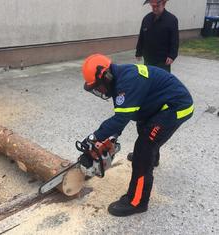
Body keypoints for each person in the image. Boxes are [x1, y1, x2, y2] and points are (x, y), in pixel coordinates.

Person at [81, 54, 194, 217]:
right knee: (144, 128)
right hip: (157, 106)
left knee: (144, 148)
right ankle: (153, 158)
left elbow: (120, 119)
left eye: (99, 87)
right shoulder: (119, 80)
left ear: (106, 76)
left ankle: (137, 201)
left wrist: (94, 137)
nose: (100, 91)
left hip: (176, 107)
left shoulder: (128, 81)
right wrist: (109, 137)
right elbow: (122, 117)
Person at [135, 0, 179, 72]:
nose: (155, 9)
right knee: (148, 80)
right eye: (153, 6)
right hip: (148, 58)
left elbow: (175, 40)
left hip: (163, 60)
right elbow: (142, 37)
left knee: (162, 81)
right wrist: (138, 52)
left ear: (164, 4)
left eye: (157, 6)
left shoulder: (172, 20)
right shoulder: (146, 19)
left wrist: (172, 56)